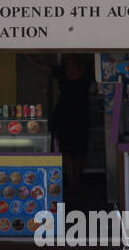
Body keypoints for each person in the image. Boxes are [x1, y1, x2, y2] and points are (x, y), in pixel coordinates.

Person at [29, 54, 93, 203]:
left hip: (82, 116)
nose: (70, 61)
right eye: (68, 59)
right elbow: (42, 66)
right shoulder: (60, 72)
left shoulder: (88, 71)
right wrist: (29, 57)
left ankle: (78, 181)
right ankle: (72, 183)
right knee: (67, 151)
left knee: (81, 151)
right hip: (64, 116)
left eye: (72, 58)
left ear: (78, 59)